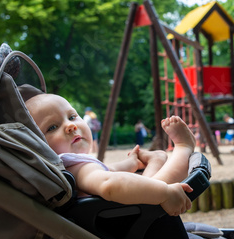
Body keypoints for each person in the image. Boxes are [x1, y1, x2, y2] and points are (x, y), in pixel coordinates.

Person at [25, 93, 196, 216]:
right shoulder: (73, 168)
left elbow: (107, 170)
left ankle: (157, 160)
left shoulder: (73, 166)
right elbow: (109, 184)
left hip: (122, 212)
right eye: (52, 127)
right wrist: (165, 193)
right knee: (161, 181)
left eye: (72, 116)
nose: (70, 125)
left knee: (157, 163)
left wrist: (132, 163)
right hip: (131, 214)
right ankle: (184, 147)